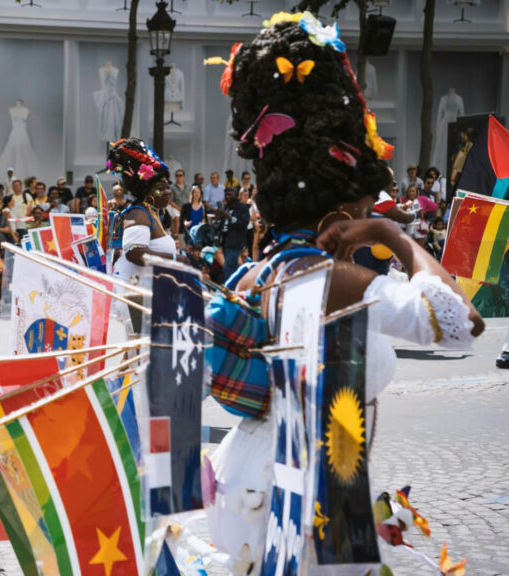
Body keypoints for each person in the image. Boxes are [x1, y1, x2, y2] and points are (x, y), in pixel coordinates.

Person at [205, 15, 483, 572]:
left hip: (249, 480)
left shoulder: (255, 275)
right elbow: (461, 324)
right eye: (363, 210)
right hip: (307, 502)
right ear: (339, 213)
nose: (369, 218)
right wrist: (394, 237)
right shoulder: (333, 280)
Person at [106, 137, 184, 332]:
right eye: (160, 188)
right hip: (132, 300)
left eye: (167, 187)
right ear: (147, 190)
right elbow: (134, 253)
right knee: (135, 347)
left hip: (144, 297)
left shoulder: (151, 212)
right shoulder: (139, 213)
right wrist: (175, 260)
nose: (167, 192)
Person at [218, 186, 249, 280]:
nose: (227, 197)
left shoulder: (242, 208)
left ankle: (230, 287)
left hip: (236, 244)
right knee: (232, 269)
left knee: (228, 268)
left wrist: (229, 217)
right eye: (226, 195)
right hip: (226, 243)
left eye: (230, 195)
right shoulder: (226, 208)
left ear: (236, 195)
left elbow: (244, 224)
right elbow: (223, 225)